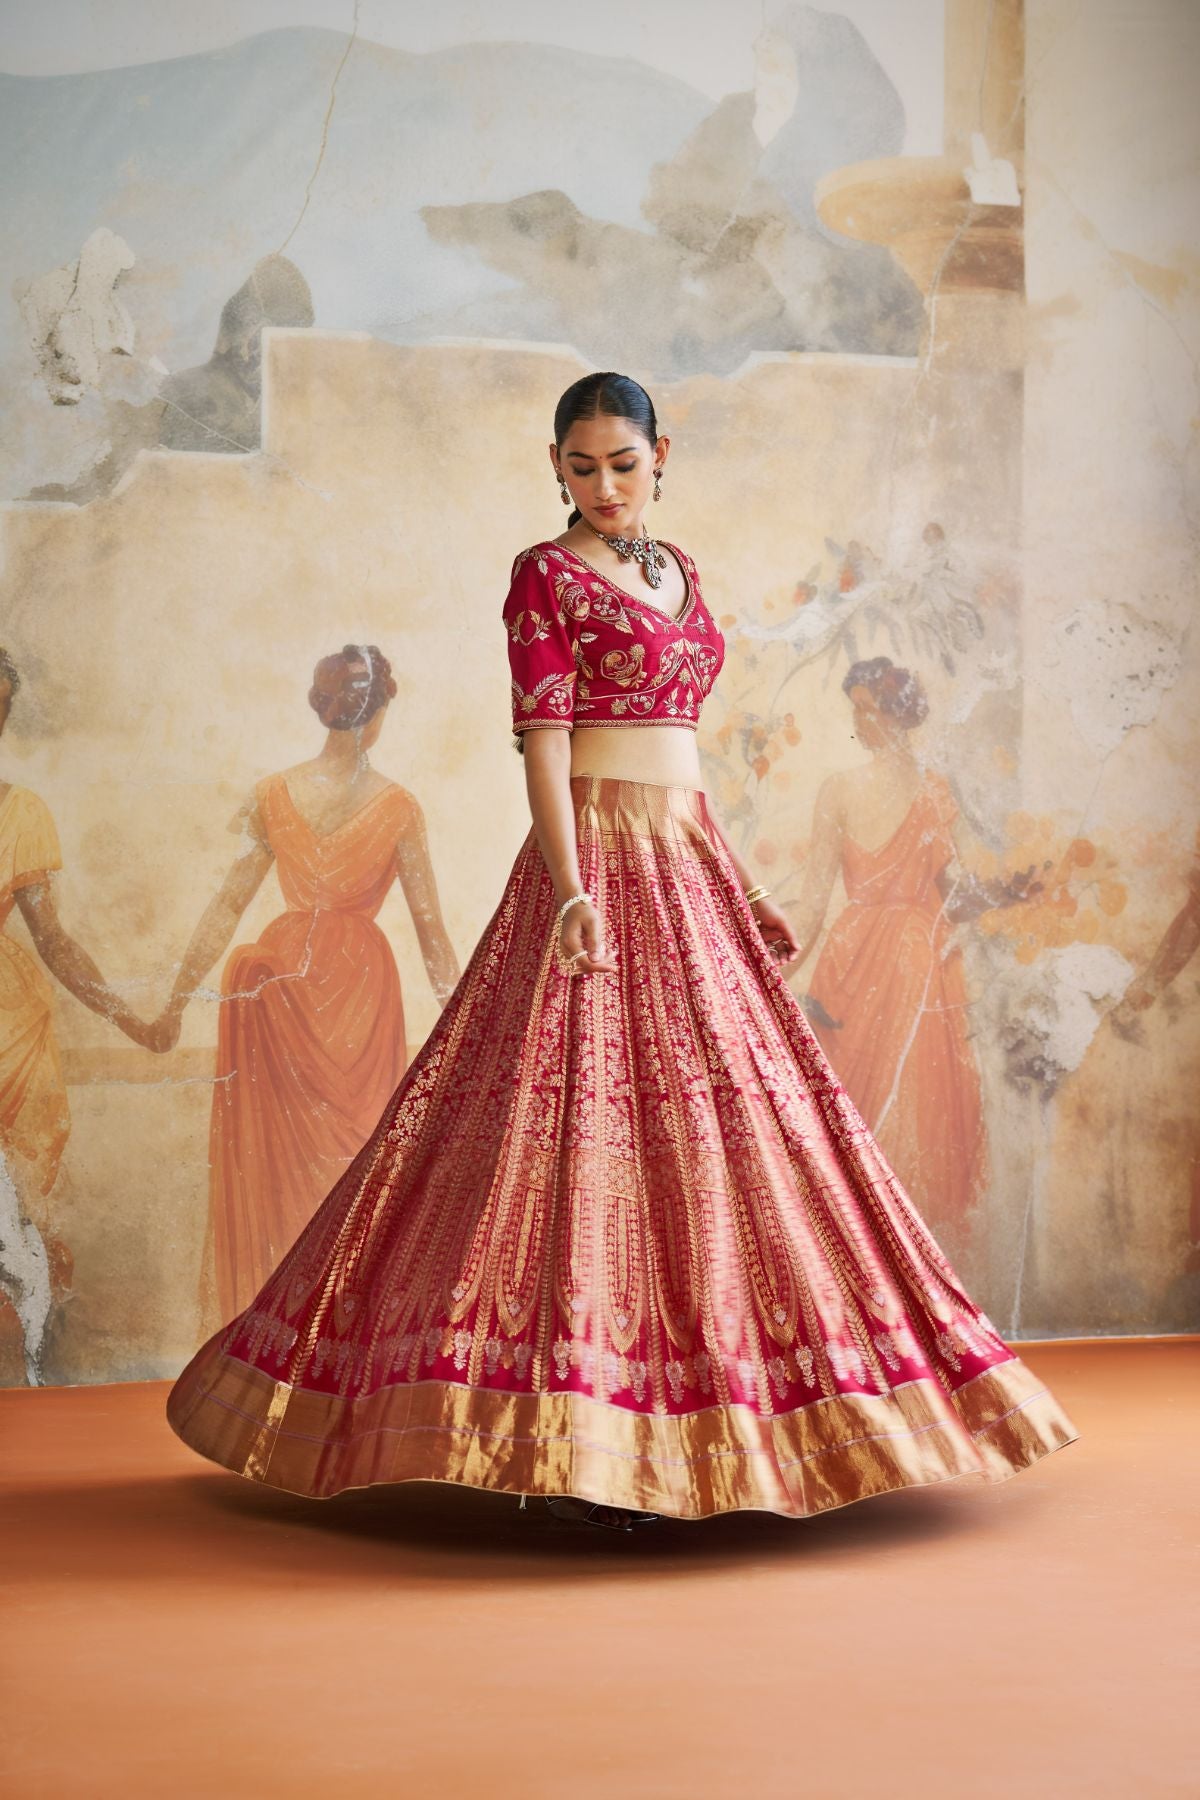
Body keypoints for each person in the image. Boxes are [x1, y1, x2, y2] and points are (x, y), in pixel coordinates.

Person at [167, 372, 1080, 1531]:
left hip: (684, 859)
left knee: (727, 1133)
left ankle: (714, 1430)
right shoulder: (543, 576)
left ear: (661, 455)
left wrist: (739, 885)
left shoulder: (681, 571)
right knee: (561, 1139)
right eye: (580, 465)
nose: (603, 484)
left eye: (623, 463)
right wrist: (567, 888)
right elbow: (546, 748)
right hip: (591, 860)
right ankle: (567, 1442)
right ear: (553, 464)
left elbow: (681, 757)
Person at [152, 646, 459, 1327]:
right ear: (378, 713)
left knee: (287, 1169)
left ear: (320, 707)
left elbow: (225, 908)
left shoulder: (272, 793)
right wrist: (472, 1020)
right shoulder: (399, 806)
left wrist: (174, 1004)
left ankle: (291, 1331)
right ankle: (331, 1331)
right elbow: (432, 932)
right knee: (355, 1164)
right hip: (355, 986)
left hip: (283, 981)